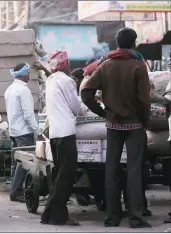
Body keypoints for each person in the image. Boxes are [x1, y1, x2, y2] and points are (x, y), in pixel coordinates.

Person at [81, 27, 151, 228]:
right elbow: (144, 100)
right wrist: (144, 121)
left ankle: (112, 216)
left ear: (117, 43)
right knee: (134, 170)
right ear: (133, 43)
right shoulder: (138, 66)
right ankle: (136, 217)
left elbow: (86, 92)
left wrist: (103, 112)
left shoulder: (105, 65)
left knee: (111, 169)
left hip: (113, 125)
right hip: (135, 124)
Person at [40, 50, 83, 226]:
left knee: (59, 175)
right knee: (65, 176)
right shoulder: (67, 81)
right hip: (66, 132)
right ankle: (55, 215)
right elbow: (76, 107)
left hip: (55, 133)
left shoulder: (50, 81)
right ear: (65, 64)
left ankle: (50, 214)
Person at [4, 63, 39, 202]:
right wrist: (38, 130)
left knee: (16, 162)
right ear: (24, 74)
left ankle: (15, 189)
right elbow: (28, 114)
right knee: (25, 163)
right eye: (28, 73)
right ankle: (15, 192)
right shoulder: (23, 90)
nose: (29, 76)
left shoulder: (9, 89)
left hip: (14, 131)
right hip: (24, 132)